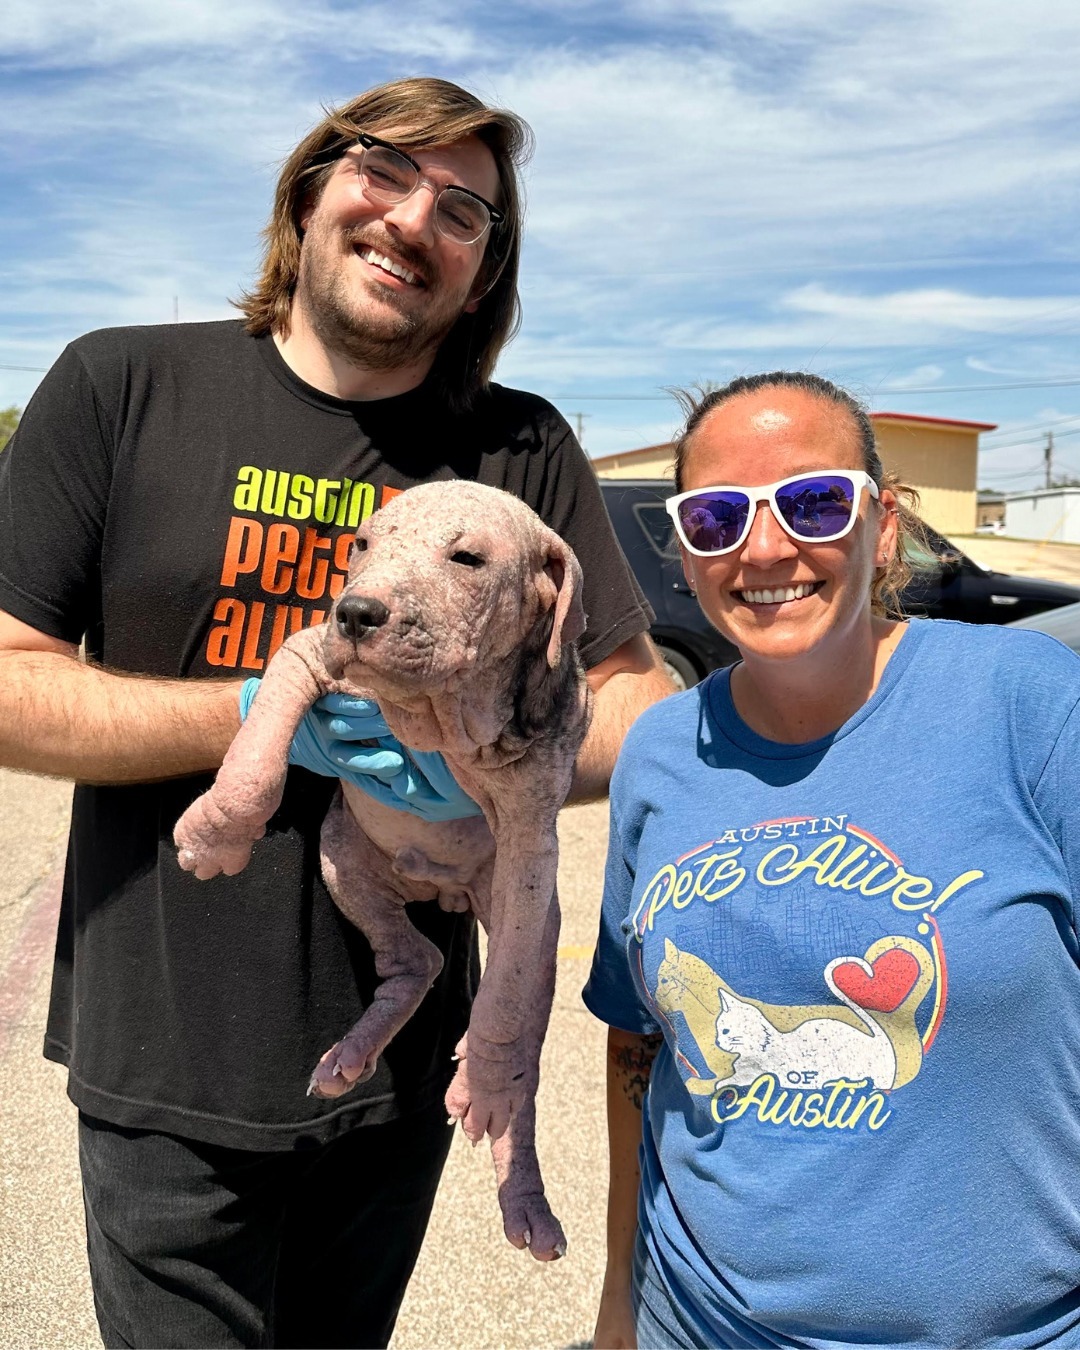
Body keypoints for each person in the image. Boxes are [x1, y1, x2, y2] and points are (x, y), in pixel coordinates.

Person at [0, 77, 672, 1349]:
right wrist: (253, 717)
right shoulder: (121, 384)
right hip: (167, 1050)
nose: (415, 220)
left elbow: (641, 702)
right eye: (384, 171)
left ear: (484, 270)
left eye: (464, 208)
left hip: (401, 1074)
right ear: (310, 188)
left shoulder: (520, 449)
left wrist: (487, 743)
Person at [584, 370, 1080, 1349]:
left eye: (813, 502)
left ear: (884, 527)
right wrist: (617, 1302)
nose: (764, 547)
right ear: (687, 552)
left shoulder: (1033, 704)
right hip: (703, 1323)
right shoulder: (659, 752)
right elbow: (637, 1042)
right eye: (719, 516)